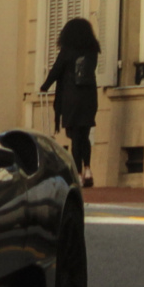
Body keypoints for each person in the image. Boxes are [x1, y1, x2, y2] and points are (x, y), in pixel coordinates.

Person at [40, 17, 100, 188]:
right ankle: (88, 169)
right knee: (84, 135)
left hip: (71, 98)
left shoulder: (67, 50)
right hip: (89, 97)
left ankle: (78, 174)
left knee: (75, 138)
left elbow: (56, 70)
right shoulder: (92, 50)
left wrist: (45, 86)